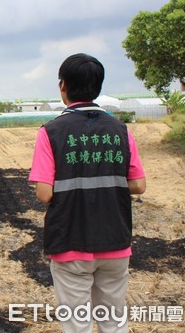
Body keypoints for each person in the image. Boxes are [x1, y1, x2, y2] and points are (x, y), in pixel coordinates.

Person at [29, 53, 146, 333]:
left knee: (76, 323)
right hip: (115, 239)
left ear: (63, 87)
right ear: (98, 87)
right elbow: (139, 185)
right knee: (114, 321)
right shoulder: (120, 130)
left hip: (70, 241)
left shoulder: (51, 132)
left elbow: (44, 194)